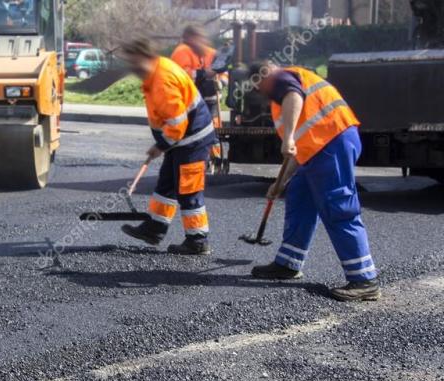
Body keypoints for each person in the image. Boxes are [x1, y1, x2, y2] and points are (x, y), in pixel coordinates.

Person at [249, 61, 381, 302]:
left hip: (332, 141)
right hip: (318, 148)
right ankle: (289, 263)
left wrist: (287, 136)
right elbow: (299, 148)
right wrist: (281, 182)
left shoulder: (282, 80)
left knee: (338, 206)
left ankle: (364, 279)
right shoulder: (283, 92)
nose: (261, 91)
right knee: (299, 197)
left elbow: (293, 96)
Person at [119, 38, 217, 255]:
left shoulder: (163, 79)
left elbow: (177, 123)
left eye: (132, 62)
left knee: (188, 190)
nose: (131, 68)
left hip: (192, 140)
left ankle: (198, 240)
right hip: (181, 140)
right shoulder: (156, 70)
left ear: (143, 56)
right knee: (167, 183)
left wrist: (160, 145)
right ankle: (154, 228)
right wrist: (163, 143)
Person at [171, 25, 222, 160]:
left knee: (213, 130)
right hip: (192, 100)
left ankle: (214, 158)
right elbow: (182, 75)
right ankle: (203, 159)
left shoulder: (210, 52)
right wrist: (205, 73)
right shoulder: (182, 51)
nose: (202, 41)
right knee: (198, 131)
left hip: (209, 97)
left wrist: (220, 81)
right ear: (190, 38)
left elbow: (222, 70)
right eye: (198, 38)